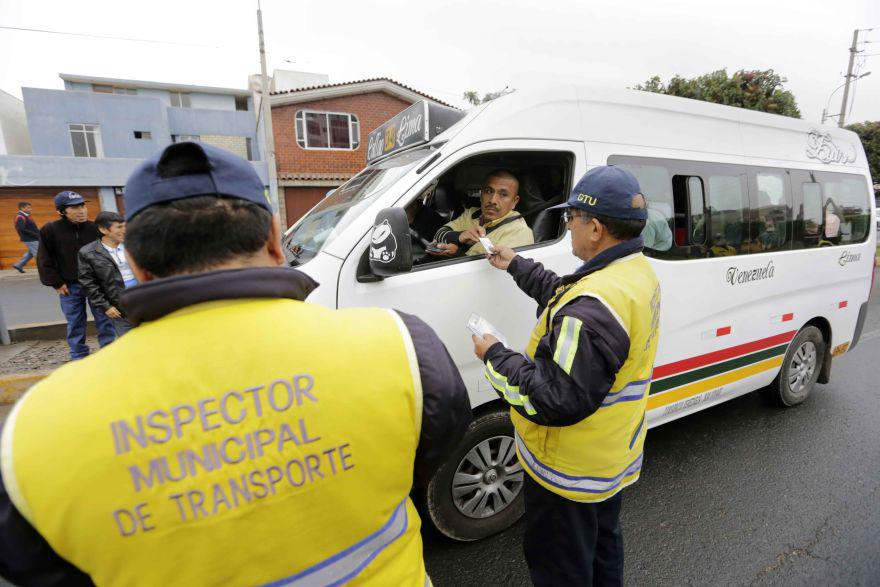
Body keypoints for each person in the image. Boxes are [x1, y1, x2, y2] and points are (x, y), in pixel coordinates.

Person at [0, 142, 471, 586]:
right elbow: (431, 453)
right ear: (272, 238)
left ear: (136, 264)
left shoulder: (34, 433)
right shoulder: (401, 344)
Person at [471, 166, 661, 586]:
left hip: (568, 471)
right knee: (601, 552)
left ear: (594, 228)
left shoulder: (595, 306)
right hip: (607, 457)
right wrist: (517, 264)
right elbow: (569, 295)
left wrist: (494, 354)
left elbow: (552, 399)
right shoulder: (633, 272)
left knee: (561, 568)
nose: (568, 227)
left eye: (570, 219)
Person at [36, 191, 116, 359]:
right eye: (74, 208)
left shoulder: (95, 228)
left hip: (98, 285)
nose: (81, 211)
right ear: (61, 211)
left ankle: (109, 353)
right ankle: (78, 355)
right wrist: (56, 283)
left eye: (82, 206)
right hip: (69, 285)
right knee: (75, 322)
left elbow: (108, 254)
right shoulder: (50, 230)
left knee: (105, 319)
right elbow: (44, 258)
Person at [431, 169, 534, 257]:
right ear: (481, 195)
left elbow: (497, 274)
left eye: (503, 194)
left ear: (514, 202)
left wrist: (456, 253)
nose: (493, 200)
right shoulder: (472, 214)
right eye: (488, 191)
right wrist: (460, 236)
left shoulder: (519, 232)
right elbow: (438, 234)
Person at [78, 211, 136, 338]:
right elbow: (88, 283)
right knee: (129, 342)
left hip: (143, 300)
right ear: (103, 229)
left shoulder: (133, 245)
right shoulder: (88, 253)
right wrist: (106, 306)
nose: (124, 230)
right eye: (119, 227)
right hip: (120, 307)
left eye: (125, 226)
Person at [12, 201, 39, 273]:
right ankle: (44, 270)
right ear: (22, 208)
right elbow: (22, 229)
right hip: (30, 239)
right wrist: (36, 235)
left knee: (30, 253)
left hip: (32, 238)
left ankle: (19, 265)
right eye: (28, 208)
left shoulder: (25, 216)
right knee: (39, 254)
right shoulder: (20, 217)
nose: (30, 209)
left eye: (30, 207)